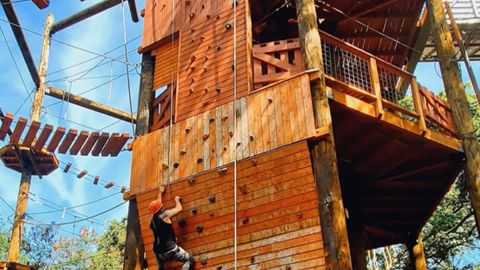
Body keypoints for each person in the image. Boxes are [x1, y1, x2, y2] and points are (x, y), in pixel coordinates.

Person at [149, 185, 194, 270]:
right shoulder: (165, 215)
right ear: (161, 207)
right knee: (189, 260)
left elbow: (157, 207)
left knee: (161, 268)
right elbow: (179, 208)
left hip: (159, 254)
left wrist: (160, 193)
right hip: (170, 250)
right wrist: (176, 199)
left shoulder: (152, 221)